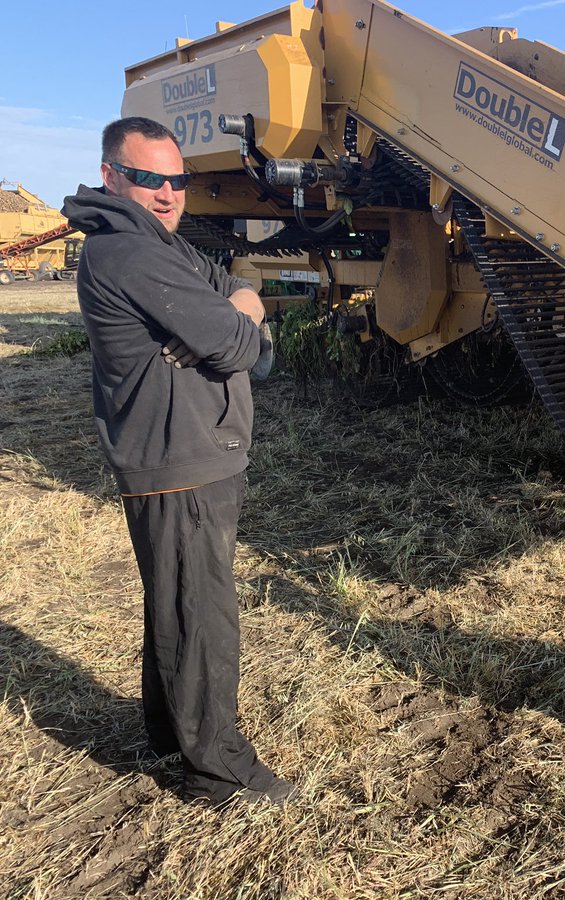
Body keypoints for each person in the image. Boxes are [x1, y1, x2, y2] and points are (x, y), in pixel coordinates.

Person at [63, 117, 291, 805]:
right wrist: (236, 325)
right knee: (201, 616)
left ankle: (170, 734)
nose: (167, 193)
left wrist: (240, 311)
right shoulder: (129, 253)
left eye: (178, 180)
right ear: (112, 176)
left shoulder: (161, 245)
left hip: (194, 451)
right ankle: (217, 771)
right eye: (148, 178)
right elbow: (235, 344)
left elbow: (242, 302)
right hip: (177, 455)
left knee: (180, 602)